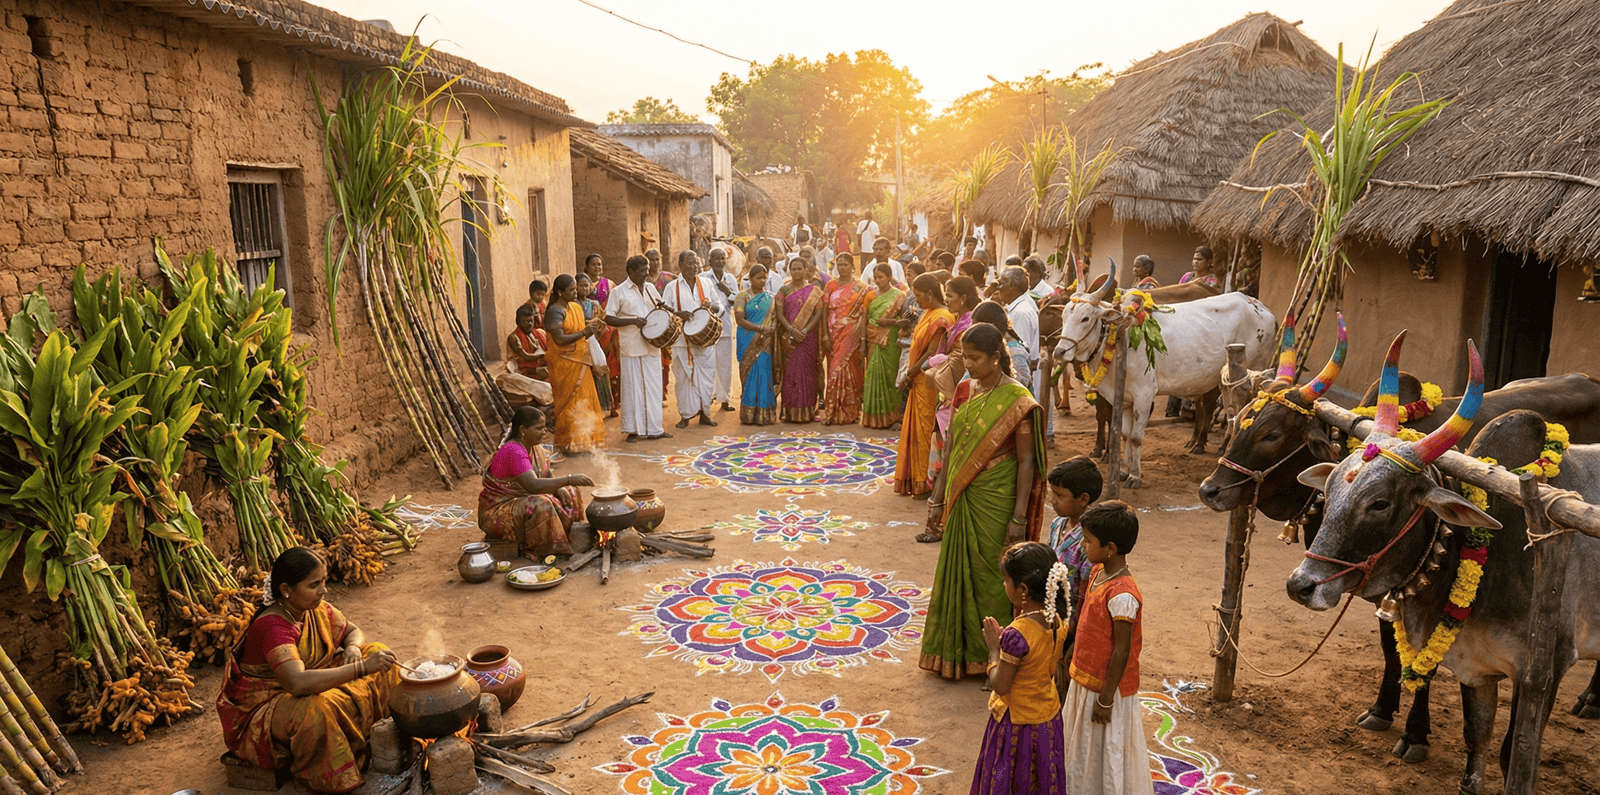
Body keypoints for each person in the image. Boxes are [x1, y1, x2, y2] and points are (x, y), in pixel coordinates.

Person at [217, 547, 398, 794]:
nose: (324, 590)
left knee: (379, 651)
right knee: (316, 710)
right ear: (285, 590)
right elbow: (297, 683)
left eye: (324, 581)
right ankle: (327, 777)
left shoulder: (314, 609)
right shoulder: (272, 626)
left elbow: (352, 631)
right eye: (315, 585)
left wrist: (354, 649)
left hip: (308, 678)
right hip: (267, 705)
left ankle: (381, 738)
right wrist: (361, 668)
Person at [920, 324, 1045, 678]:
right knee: (959, 570)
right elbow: (953, 448)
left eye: (975, 358)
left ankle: (997, 658)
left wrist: (1019, 517)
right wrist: (938, 499)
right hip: (963, 495)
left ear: (995, 357)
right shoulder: (964, 389)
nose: (969, 364)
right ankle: (955, 655)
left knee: (994, 575)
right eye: (966, 357)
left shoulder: (1018, 400)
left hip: (997, 497)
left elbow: (1026, 461)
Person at [1062, 501, 1152, 795]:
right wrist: (1072, 649)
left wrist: (1106, 699)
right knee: (1082, 742)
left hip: (1104, 688)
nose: (1084, 546)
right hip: (1085, 678)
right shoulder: (1098, 572)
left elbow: (1122, 650)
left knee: (1103, 743)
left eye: (1088, 541)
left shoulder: (1124, 595)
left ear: (1110, 547)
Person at [971, 542, 1070, 795]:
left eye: (1007, 581)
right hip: (1046, 717)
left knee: (1008, 778)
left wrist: (994, 649)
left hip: (1016, 725)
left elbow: (1001, 684)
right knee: (1039, 780)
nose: (1004, 585)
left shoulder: (1017, 635)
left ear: (1023, 589)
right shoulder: (1057, 620)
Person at [477, 406, 591, 557]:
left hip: (519, 500)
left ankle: (565, 534)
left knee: (571, 491)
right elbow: (533, 485)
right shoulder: (513, 451)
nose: (544, 432)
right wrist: (569, 479)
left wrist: (560, 488)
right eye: (539, 428)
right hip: (497, 512)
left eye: (544, 427)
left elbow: (546, 472)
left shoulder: (533, 447)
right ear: (523, 430)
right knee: (541, 503)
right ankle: (545, 549)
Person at [894, 273, 954, 498]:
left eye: (918, 295)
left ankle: (924, 482)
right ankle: (916, 479)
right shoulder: (928, 313)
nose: (915, 300)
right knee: (916, 431)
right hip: (918, 380)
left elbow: (932, 352)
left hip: (927, 382)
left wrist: (910, 372)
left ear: (930, 293)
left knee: (924, 432)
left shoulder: (942, 317)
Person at [922, 275, 979, 494]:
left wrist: (932, 362)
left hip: (955, 389)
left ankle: (945, 491)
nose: (947, 299)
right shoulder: (957, 319)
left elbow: (959, 359)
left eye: (951, 295)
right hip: (946, 385)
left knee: (949, 444)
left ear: (963, 298)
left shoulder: (967, 324)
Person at [604, 255, 670, 442]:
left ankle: (655, 429)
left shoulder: (650, 289)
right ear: (630, 272)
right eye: (642, 270)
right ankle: (633, 430)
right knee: (633, 388)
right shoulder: (619, 292)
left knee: (654, 387)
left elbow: (660, 309)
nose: (646, 273)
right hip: (631, 345)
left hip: (651, 345)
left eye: (647, 269)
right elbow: (609, 318)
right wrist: (633, 321)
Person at [543, 274, 607, 454]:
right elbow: (560, 338)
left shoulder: (575, 307)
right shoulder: (555, 311)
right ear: (560, 292)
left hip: (580, 362)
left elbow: (578, 327)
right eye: (571, 289)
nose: (575, 291)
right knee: (570, 403)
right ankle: (570, 444)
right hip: (564, 364)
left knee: (586, 400)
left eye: (575, 288)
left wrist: (593, 325)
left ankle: (586, 441)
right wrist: (584, 333)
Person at [1046, 456, 1103, 646]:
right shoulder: (1056, 525)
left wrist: (1073, 627)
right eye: (1052, 493)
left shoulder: (1089, 539)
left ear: (1083, 499)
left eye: (1059, 496)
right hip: (1053, 610)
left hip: (1072, 622)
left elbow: (1086, 590)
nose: (1052, 501)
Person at [664, 250, 719, 429]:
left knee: (707, 377)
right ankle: (685, 415)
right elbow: (665, 312)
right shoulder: (672, 287)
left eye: (696, 263)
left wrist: (712, 306)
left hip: (704, 343)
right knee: (683, 379)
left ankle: (704, 414)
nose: (694, 266)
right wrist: (678, 314)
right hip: (682, 342)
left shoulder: (707, 283)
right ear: (680, 265)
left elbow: (719, 306)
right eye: (690, 263)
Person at [822, 253, 871, 425]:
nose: (842, 268)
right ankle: (832, 412)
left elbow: (865, 313)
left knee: (853, 372)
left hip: (852, 334)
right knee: (834, 370)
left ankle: (850, 413)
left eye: (845, 264)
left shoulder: (862, 287)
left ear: (852, 266)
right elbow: (824, 311)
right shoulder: (830, 285)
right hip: (833, 333)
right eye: (839, 264)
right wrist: (825, 335)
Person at [777, 257, 825, 422]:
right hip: (790, 338)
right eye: (793, 269)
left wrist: (804, 330)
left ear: (806, 270)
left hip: (808, 337)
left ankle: (809, 411)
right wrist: (791, 330)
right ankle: (790, 412)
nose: (796, 272)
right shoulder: (783, 290)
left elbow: (818, 313)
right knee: (790, 373)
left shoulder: (814, 290)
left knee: (808, 373)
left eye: (800, 268)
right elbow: (779, 314)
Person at [862, 263, 907, 429]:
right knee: (872, 375)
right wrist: (861, 341)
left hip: (891, 340)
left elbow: (905, 321)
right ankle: (872, 418)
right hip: (872, 338)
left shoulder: (899, 295)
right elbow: (864, 319)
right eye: (875, 277)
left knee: (889, 376)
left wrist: (889, 322)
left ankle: (890, 417)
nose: (877, 280)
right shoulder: (870, 296)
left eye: (881, 277)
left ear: (889, 277)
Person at [734, 264, 779, 425]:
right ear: (750, 279)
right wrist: (760, 328)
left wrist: (771, 328)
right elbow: (740, 319)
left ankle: (763, 415)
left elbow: (774, 317)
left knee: (764, 374)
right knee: (749, 375)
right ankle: (748, 415)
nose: (762, 281)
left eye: (764, 278)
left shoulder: (771, 297)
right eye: (758, 278)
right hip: (747, 341)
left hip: (765, 342)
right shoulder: (742, 296)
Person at [997, 267, 1042, 403]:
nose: (998, 288)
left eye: (1000, 283)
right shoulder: (1018, 307)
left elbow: (1019, 353)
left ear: (1011, 285)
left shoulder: (1020, 313)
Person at [705, 246, 740, 413]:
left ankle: (725, 399)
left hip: (725, 327)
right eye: (716, 258)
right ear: (710, 261)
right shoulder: (703, 278)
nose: (720, 261)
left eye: (722, 258)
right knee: (708, 364)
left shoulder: (731, 279)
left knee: (725, 366)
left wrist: (729, 292)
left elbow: (738, 301)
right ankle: (709, 397)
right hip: (707, 328)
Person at [586, 254, 622, 416]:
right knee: (593, 367)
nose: (597, 267)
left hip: (609, 330)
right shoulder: (581, 283)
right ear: (586, 267)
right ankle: (596, 404)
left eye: (599, 264)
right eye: (593, 264)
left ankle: (612, 404)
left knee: (611, 366)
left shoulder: (609, 284)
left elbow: (616, 305)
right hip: (590, 330)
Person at [575, 273, 613, 415]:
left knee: (600, 368)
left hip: (593, 341)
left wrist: (595, 329)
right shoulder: (573, 305)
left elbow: (603, 322)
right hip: (578, 341)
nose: (585, 288)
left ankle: (602, 406)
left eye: (587, 285)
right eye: (581, 285)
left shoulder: (594, 305)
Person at [972, 300, 1032, 382]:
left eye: (979, 330)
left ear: (994, 327)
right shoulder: (987, 347)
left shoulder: (1016, 354)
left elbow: (1018, 386)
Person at [647, 248, 672, 394]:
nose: (655, 263)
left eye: (657, 259)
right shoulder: (642, 278)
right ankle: (652, 390)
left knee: (665, 359)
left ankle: (663, 391)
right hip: (649, 323)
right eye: (652, 259)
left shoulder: (669, 278)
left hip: (666, 324)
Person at [506, 305, 548, 381]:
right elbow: (526, 357)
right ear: (518, 322)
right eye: (524, 321)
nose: (529, 324)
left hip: (542, 367)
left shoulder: (540, 333)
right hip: (524, 372)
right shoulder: (513, 338)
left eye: (531, 321)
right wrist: (545, 354)